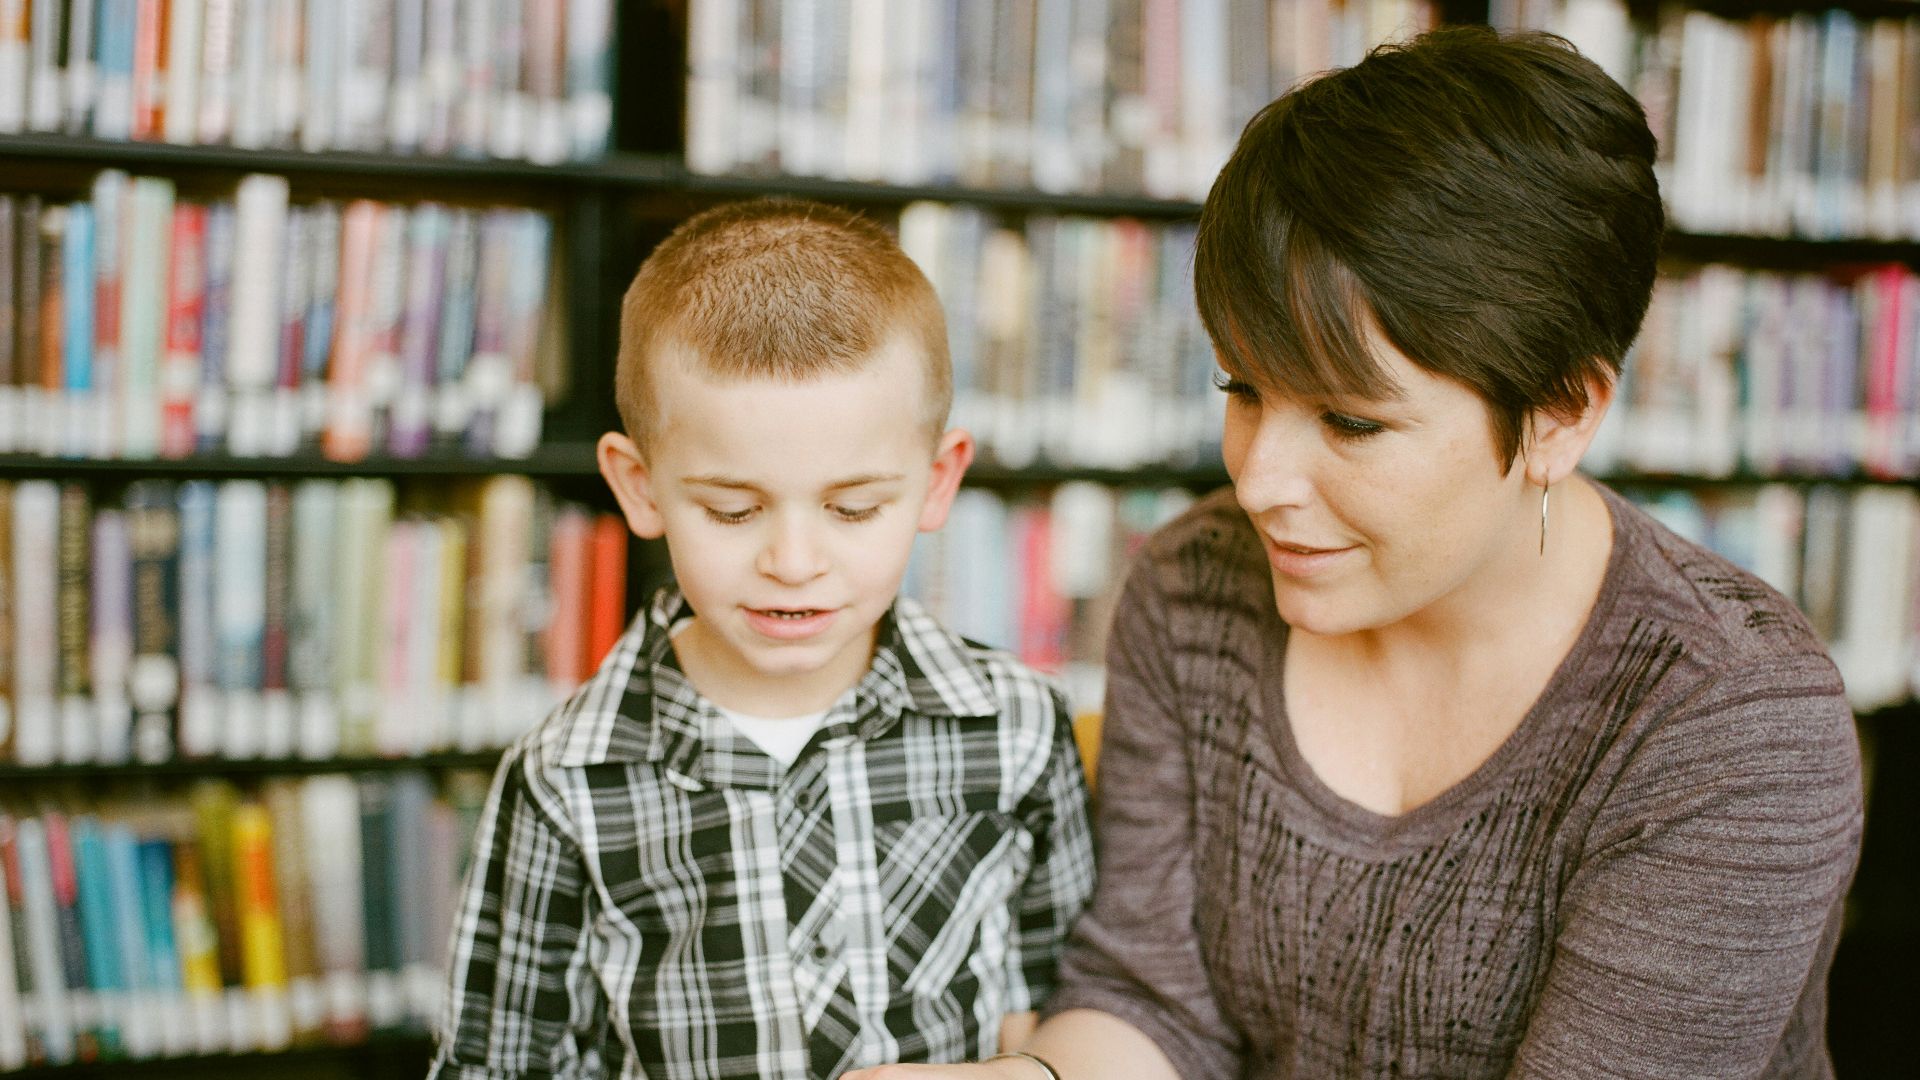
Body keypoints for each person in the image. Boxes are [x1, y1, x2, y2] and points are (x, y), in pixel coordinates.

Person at [845, 26, 1863, 1080]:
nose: (1256, 482)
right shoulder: (1195, 588)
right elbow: (1153, 999)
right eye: (1242, 389)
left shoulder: (1731, 719)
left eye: (1351, 423)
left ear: (1560, 415)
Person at [427, 199, 1096, 1080]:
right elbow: (494, 1062)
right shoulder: (564, 778)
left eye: (854, 508)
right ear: (640, 487)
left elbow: (1076, 996)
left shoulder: (1017, 726)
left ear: (937, 484)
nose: (792, 561)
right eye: (733, 510)